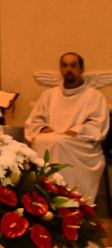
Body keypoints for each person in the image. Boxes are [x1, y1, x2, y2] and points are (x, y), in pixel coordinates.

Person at [25, 52, 110, 201]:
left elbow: (98, 124)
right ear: (60, 69)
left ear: (82, 69)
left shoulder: (94, 96)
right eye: (64, 65)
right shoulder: (48, 95)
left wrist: (77, 131)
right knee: (42, 140)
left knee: (58, 142)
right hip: (54, 139)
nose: (68, 69)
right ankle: (44, 199)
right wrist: (42, 127)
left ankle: (68, 201)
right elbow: (35, 120)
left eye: (73, 65)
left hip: (80, 145)